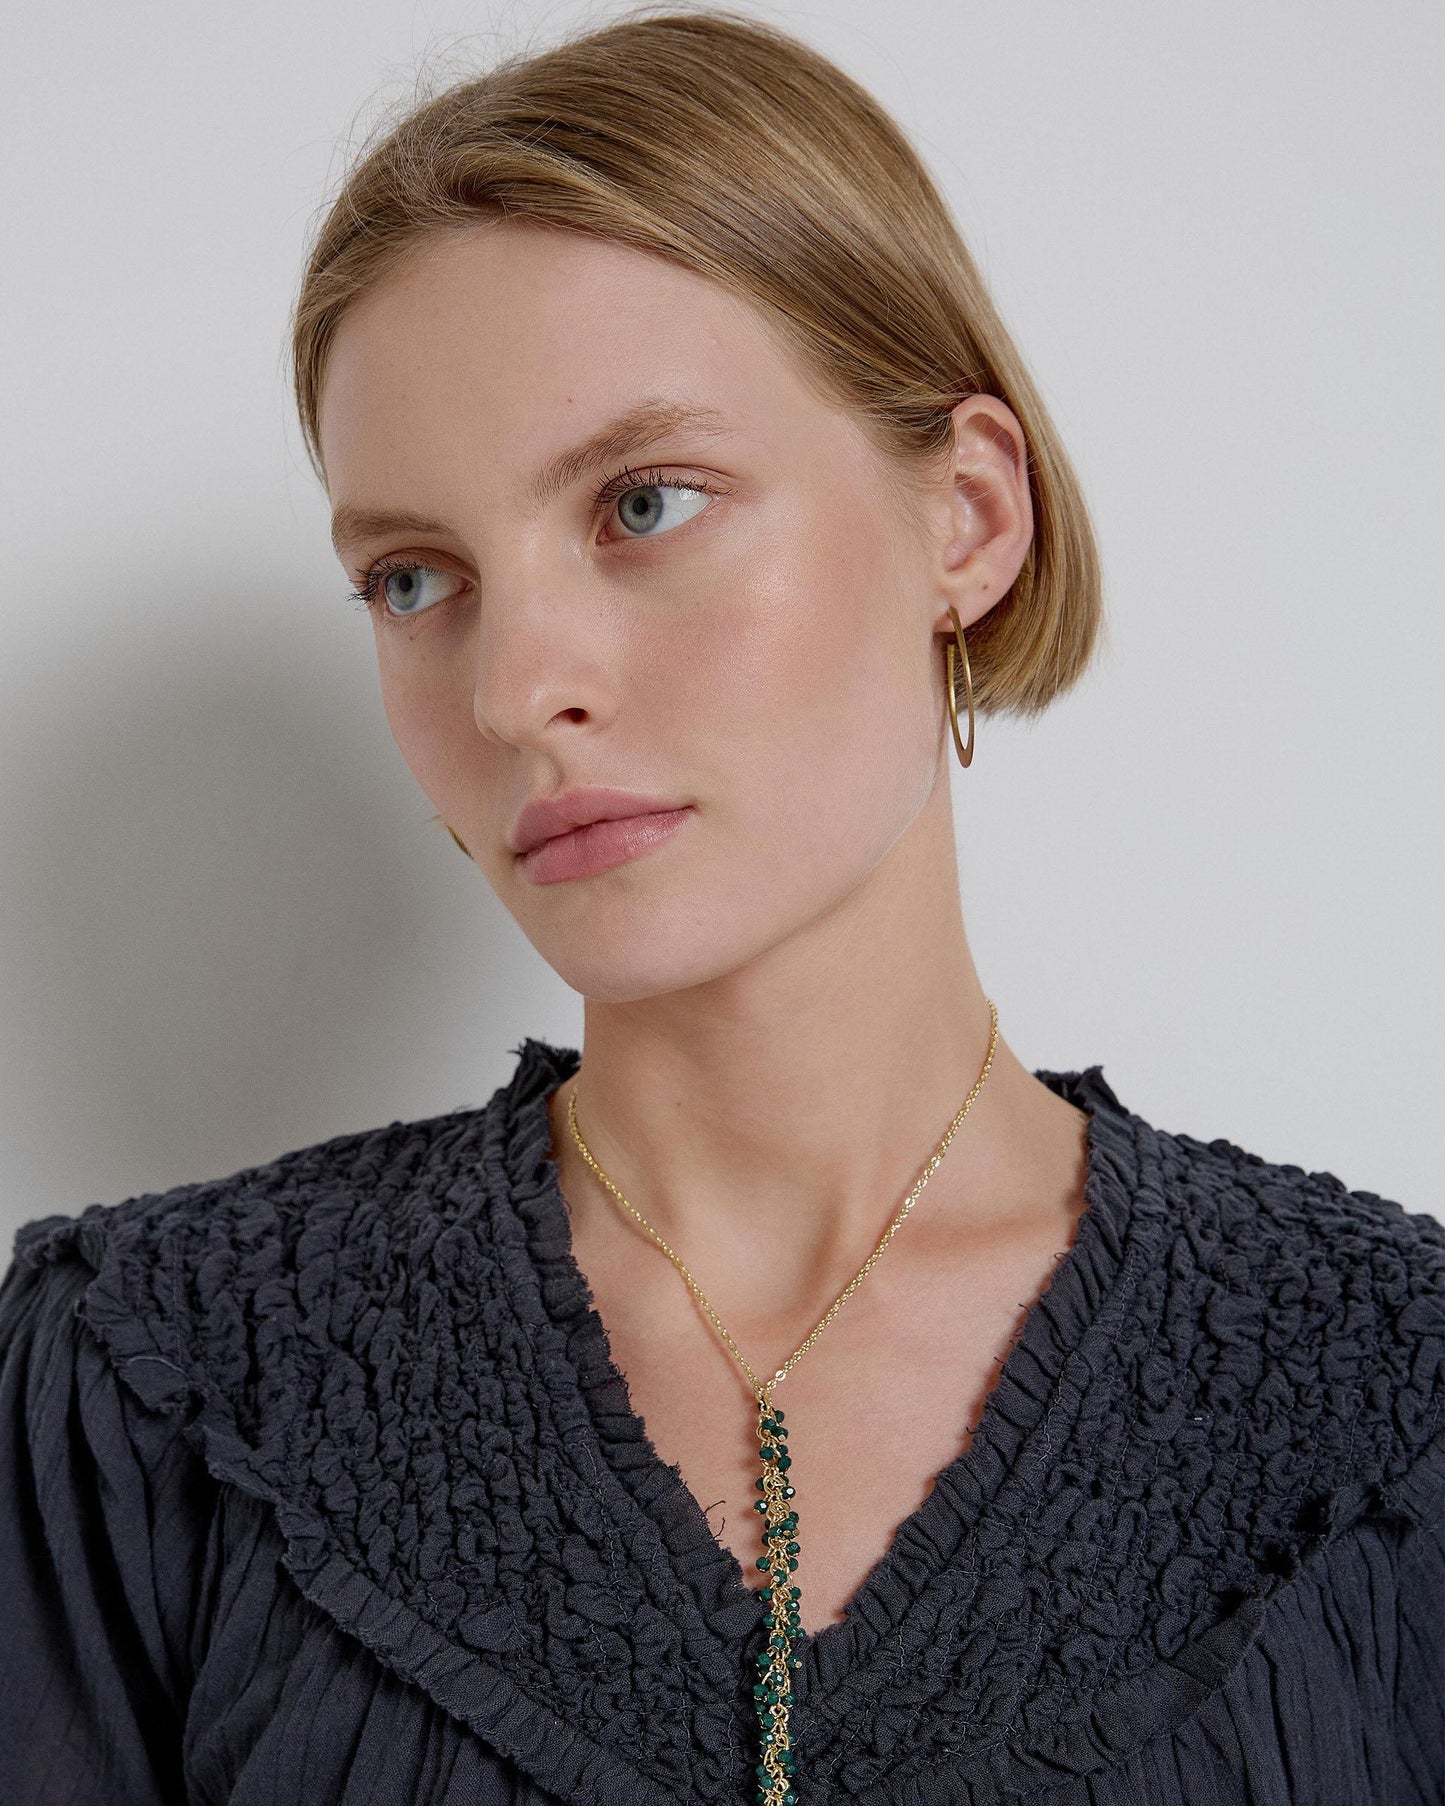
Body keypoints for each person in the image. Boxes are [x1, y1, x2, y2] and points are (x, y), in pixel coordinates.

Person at [2, 8, 1441, 1803]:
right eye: (414, 578)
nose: (514, 688)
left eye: (645, 503)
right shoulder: (155, 1382)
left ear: (966, 520)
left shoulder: (1387, 1393)